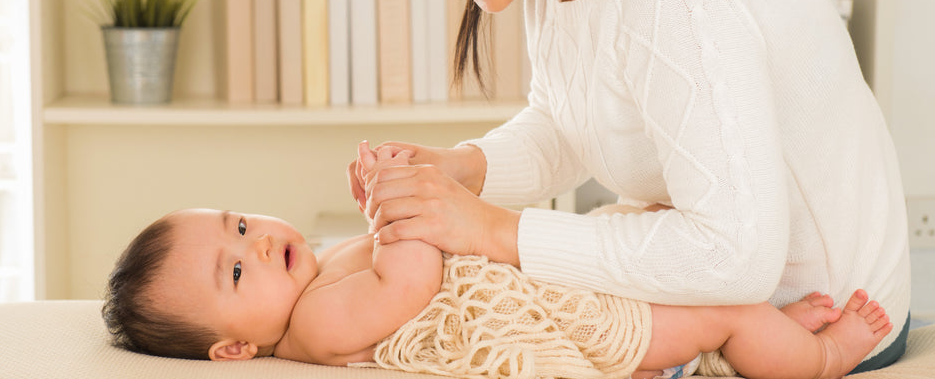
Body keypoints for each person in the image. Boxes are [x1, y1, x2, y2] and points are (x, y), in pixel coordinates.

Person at [339, 0, 912, 373]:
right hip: (730, 306)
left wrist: (491, 230)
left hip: (819, 324)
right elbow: (568, 125)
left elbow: (735, 256)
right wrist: (461, 168)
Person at [103, 144, 892, 379]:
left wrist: (402, 188)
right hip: (568, 321)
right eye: (235, 271)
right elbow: (409, 282)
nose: (252, 242)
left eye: (238, 223)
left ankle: (763, 335)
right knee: (716, 308)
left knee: (653, 244)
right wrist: (396, 209)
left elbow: (407, 246)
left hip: (546, 283)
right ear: (235, 347)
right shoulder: (311, 326)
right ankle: (817, 354)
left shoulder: (314, 273)